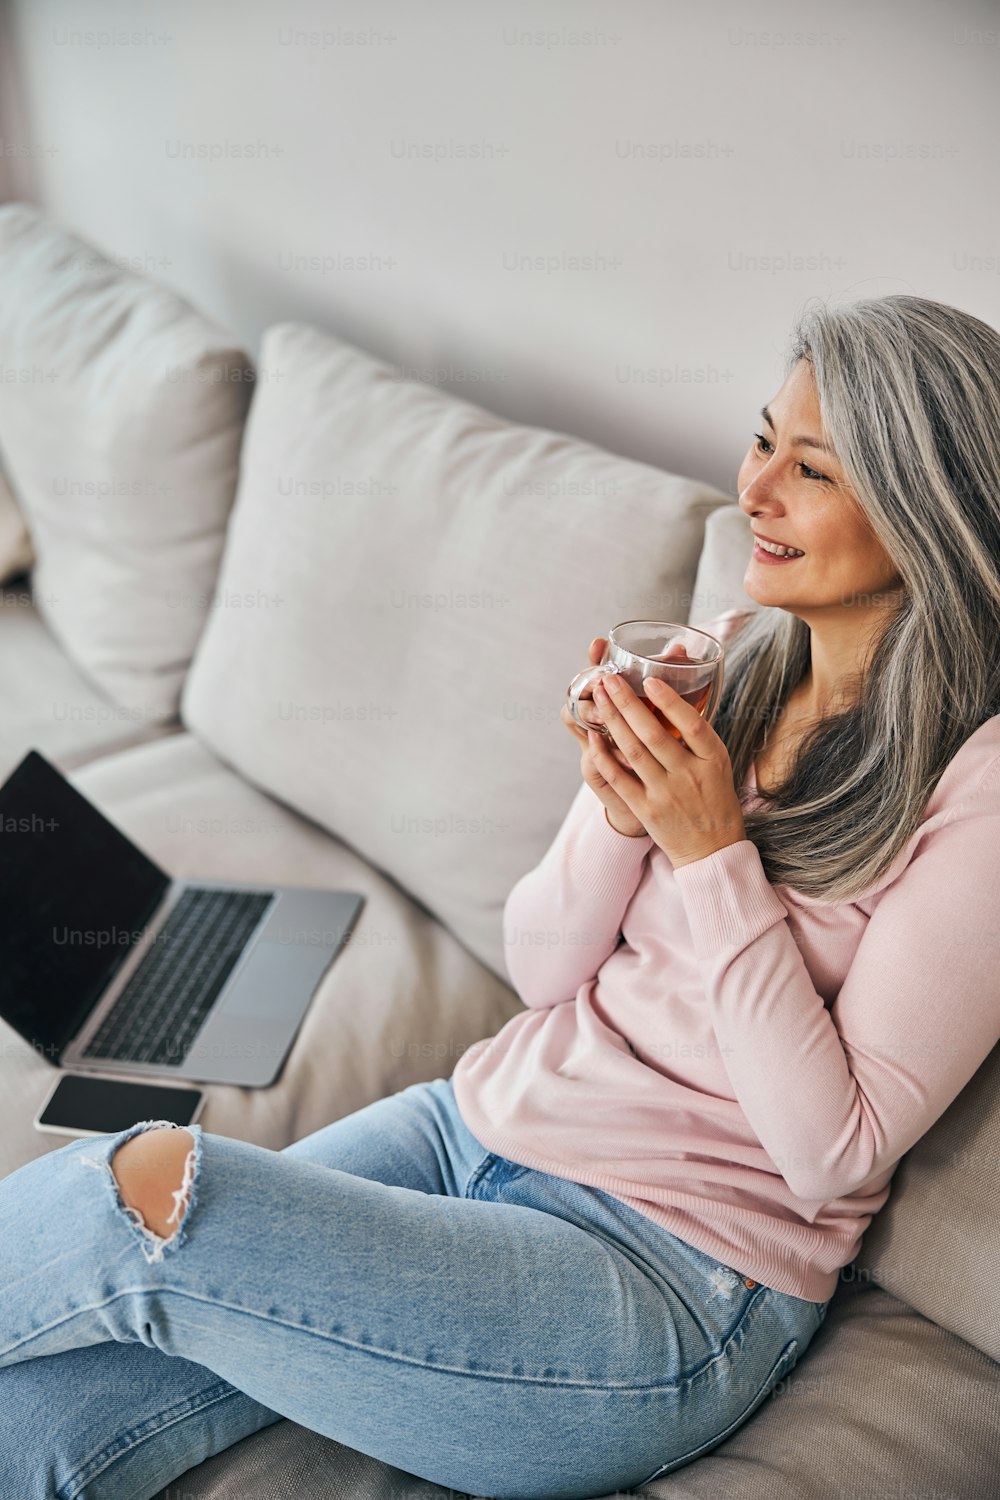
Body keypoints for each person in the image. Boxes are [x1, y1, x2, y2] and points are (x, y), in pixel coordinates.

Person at [2, 293, 1000, 1500]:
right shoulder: (724, 651)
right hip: (472, 1125)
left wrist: (706, 850)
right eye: (761, 440)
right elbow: (544, 973)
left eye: (813, 469)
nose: (755, 490)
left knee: (141, 1193)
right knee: (42, 1415)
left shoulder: (977, 779)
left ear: (924, 508)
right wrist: (614, 814)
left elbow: (831, 1156)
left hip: (662, 1277)